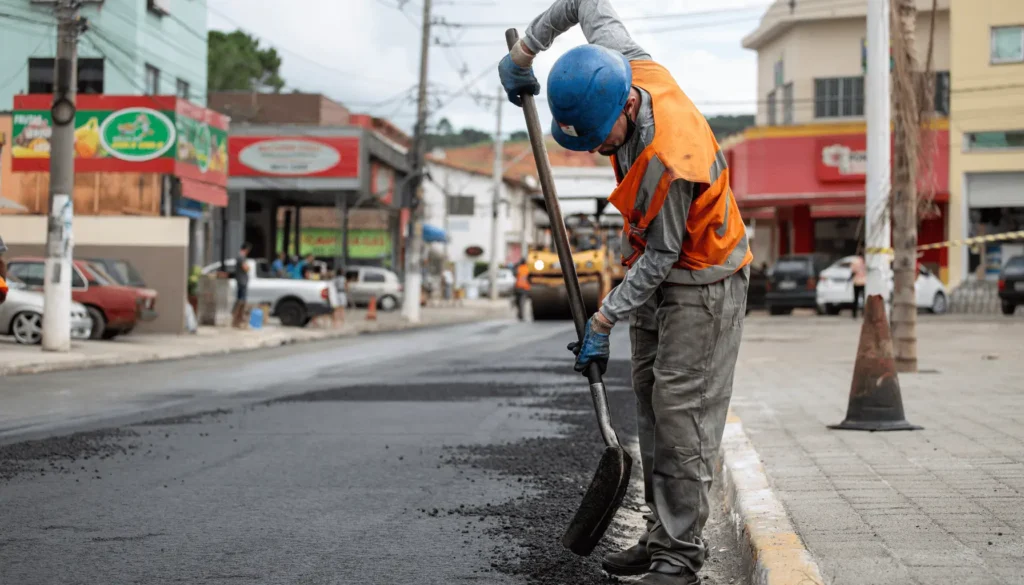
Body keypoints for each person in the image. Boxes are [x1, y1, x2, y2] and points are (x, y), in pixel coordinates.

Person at [499, 3, 752, 583]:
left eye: (599, 137)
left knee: (680, 416)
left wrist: (604, 320)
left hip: (704, 279)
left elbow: (664, 258)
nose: (594, 148)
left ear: (629, 106)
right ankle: (660, 534)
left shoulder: (670, 158)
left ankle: (679, 556)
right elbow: (585, 1)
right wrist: (526, 51)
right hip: (657, 267)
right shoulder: (624, 62)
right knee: (650, 406)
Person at [232, 242, 252, 328]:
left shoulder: (240, 257)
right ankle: (238, 319)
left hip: (241, 280)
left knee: (240, 299)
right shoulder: (241, 257)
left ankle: (237, 319)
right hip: (242, 281)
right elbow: (246, 268)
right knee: (241, 300)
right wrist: (248, 267)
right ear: (246, 249)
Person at [850, 251, 867, 318]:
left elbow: (852, 271)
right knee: (864, 299)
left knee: (856, 299)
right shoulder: (866, 262)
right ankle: (863, 312)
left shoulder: (855, 261)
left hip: (856, 282)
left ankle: (854, 314)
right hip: (864, 282)